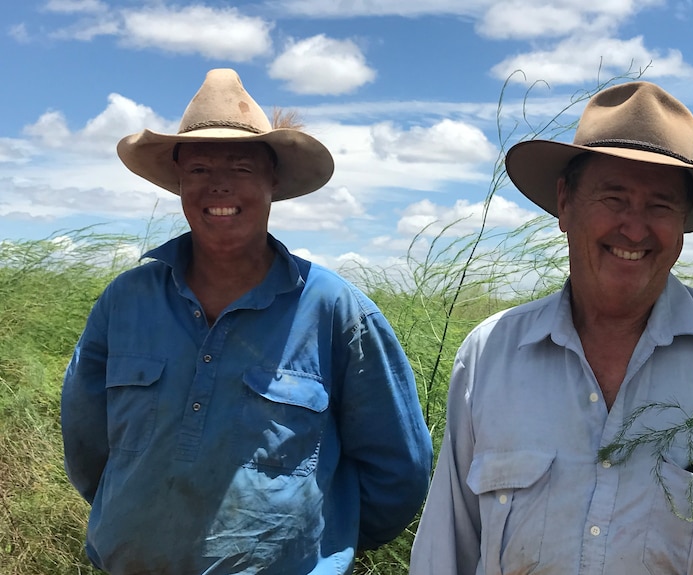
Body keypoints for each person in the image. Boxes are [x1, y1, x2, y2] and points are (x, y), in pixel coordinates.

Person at [410, 81, 693, 574]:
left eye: (661, 205)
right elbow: (446, 549)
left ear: (684, 221)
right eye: (614, 197)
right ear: (565, 203)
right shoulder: (490, 353)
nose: (634, 227)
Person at [61, 68, 433, 575]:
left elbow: (398, 471)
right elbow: (88, 450)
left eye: (240, 167)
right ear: (177, 181)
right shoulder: (125, 303)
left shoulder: (335, 311)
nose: (218, 187)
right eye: (197, 170)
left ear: (272, 180)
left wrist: (326, 545)